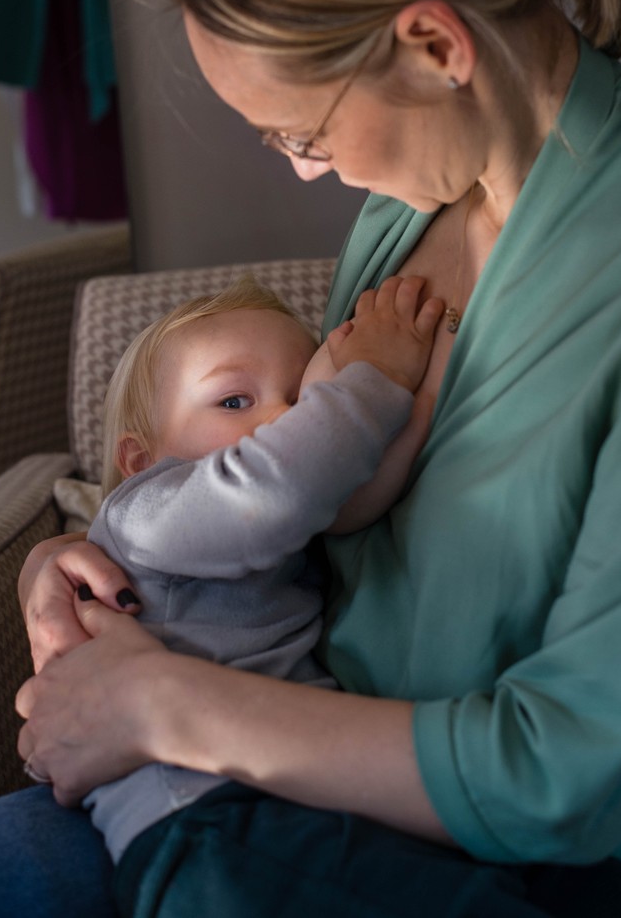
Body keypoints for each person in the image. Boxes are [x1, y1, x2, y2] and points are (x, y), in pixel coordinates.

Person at [0, 0, 621, 918]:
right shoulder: (410, 214)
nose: (303, 176)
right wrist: (92, 559)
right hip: (275, 788)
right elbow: (303, 494)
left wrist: (160, 705)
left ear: (432, 44)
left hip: (528, 874)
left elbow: (565, 775)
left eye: (300, 134)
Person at [80, 271, 442, 863]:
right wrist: (376, 379)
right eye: (233, 401)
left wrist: (418, 400)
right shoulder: (141, 512)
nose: (282, 419)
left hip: (298, 780)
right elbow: (278, 489)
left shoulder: (283, 513)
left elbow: (350, 496)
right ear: (140, 458)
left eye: (301, 398)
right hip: (190, 805)